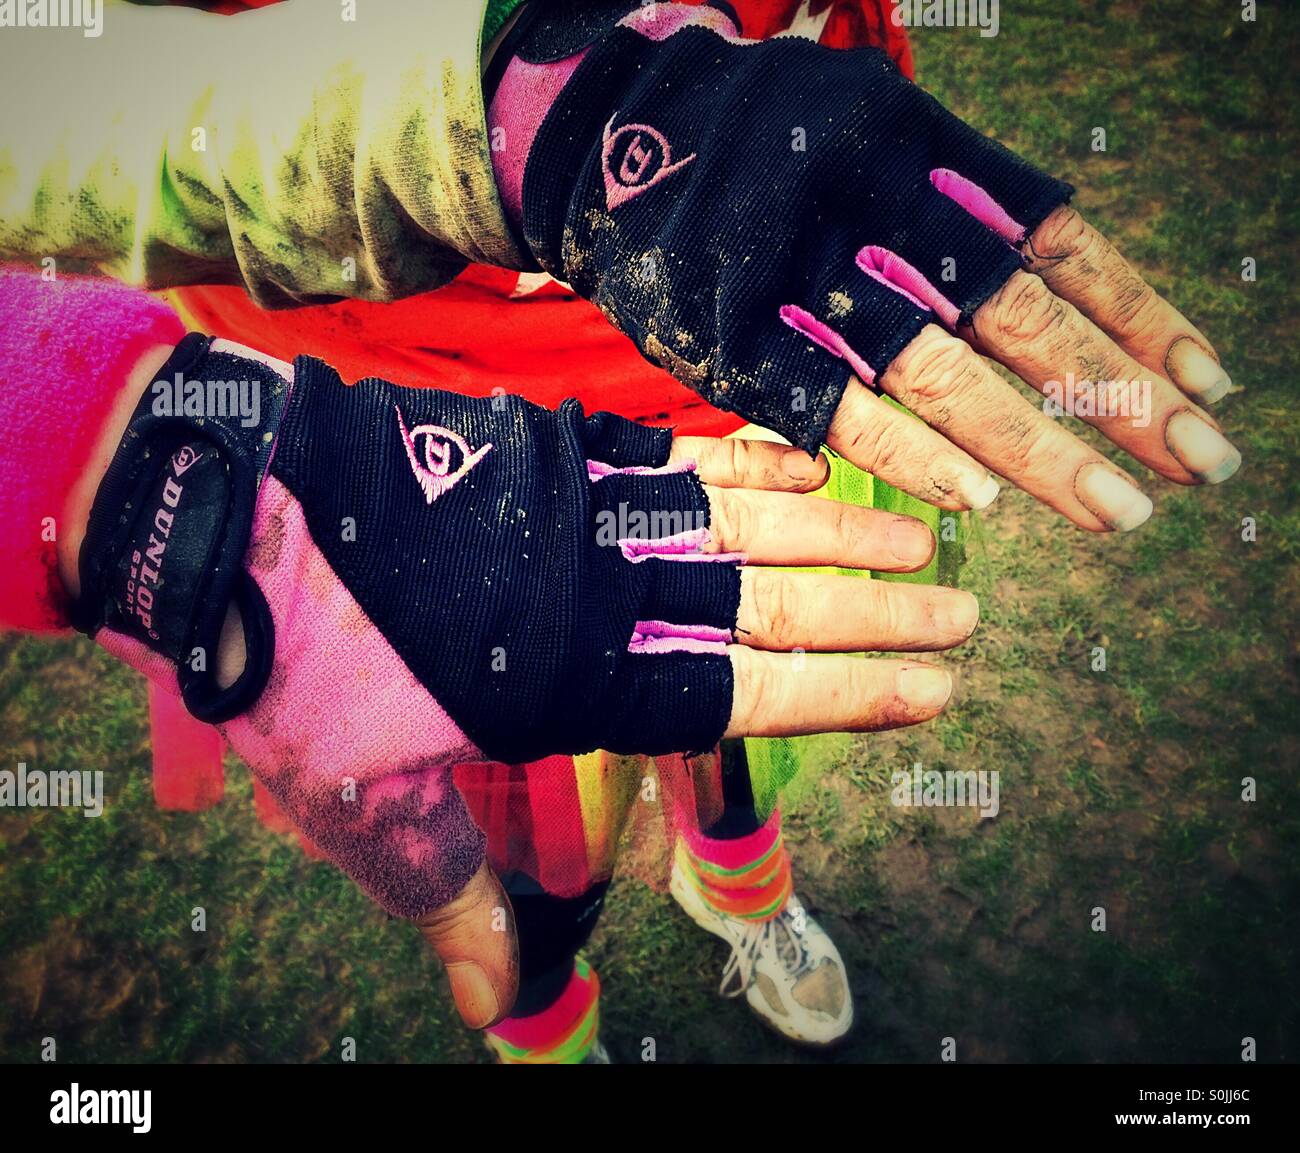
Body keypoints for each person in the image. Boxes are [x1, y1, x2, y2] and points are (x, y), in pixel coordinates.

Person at [0, 0, 1238, 1060]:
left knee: (738, 688)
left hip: (738, 314)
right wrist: (112, 462)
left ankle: (739, 880)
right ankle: (548, 1022)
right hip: (409, 419)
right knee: (516, 821)